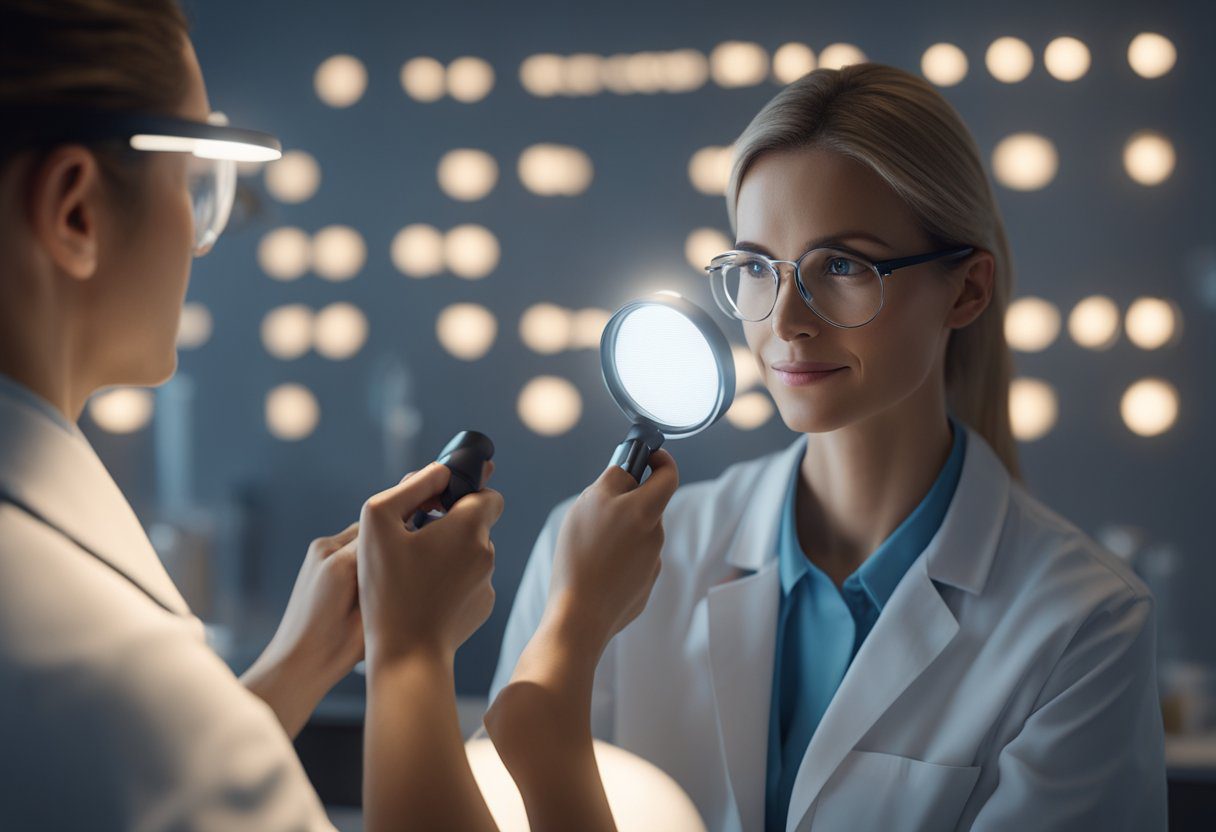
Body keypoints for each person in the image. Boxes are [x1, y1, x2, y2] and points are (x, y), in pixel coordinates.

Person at [0, 1, 679, 829]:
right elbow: (152, 745)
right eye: (197, 184)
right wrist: (431, 658)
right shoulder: (101, 664)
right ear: (75, 213)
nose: (204, 239)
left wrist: (294, 669)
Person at [493, 63, 1168, 831]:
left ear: (967, 290)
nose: (785, 321)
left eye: (841, 265)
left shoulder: (1084, 626)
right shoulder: (590, 564)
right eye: (756, 268)